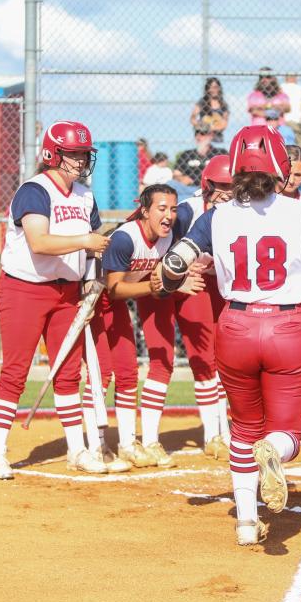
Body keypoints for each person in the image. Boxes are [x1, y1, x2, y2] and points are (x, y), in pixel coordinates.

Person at [157, 124, 301, 546]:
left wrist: (175, 278)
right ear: (279, 164)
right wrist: (293, 291)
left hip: (235, 325)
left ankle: (244, 522)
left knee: (242, 429)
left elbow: (174, 265)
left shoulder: (215, 215)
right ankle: (274, 450)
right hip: (287, 324)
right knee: (287, 433)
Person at [0, 121, 111, 480]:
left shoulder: (84, 194)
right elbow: (39, 241)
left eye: (84, 153)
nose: (81, 159)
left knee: (69, 373)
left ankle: (76, 449)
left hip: (67, 291)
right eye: (73, 153)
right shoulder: (34, 190)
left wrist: (90, 279)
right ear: (52, 153)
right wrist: (86, 242)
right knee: (16, 370)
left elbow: (93, 245)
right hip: (25, 288)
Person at [101, 184, 205, 469]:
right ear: (144, 211)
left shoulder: (171, 234)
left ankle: (142, 442)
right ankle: (97, 444)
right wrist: (155, 285)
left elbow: (160, 272)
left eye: (173, 208)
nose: (170, 215)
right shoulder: (125, 238)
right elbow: (113, 290)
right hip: (102, 298)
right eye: (162, 208)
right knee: (110, 372)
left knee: (155, 361)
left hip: (142, 288)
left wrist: (176, 280)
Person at [171, 156, 237, 460]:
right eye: (221, 186)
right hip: (193, 285)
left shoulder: (241, 211)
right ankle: (213, 434)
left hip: (223, 285)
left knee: (227, 358)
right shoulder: (188, 210)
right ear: (206, 185)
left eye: (232, 186)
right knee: (203, 359)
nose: (227, 192)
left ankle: (229, 429)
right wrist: (178, 272)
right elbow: (153, 238)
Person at [190, 77, 230, 144]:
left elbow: (224, 124)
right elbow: (193, 118)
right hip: (204, 138)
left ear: (219, 88)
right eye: (211, 87)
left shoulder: (223, 104)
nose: (214, 90)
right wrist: (200, 125)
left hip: (217, 139)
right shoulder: (202, 102)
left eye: (216, 87)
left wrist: (211, 128)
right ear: (207, 89)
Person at [281, 74, 301, 144]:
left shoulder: (281, 87)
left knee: (285, 143)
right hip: (298, 121)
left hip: (285, 120)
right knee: (299, 145)